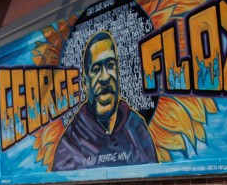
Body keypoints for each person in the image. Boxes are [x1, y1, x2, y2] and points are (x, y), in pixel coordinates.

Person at [52, 31, 157, 171]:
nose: (105, 77)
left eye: (110, 65)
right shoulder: (70, 144)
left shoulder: (136, 128)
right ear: (85, 83)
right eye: (96, 69)